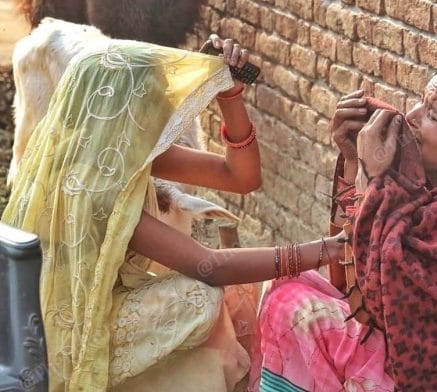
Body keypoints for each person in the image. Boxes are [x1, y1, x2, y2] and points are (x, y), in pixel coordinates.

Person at [1, 34, 345, 391]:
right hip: (76, 330)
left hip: (79, 307)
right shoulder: (94, 188)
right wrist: (324, 250)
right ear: (126, 109)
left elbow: (241, 177)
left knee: (234, 291)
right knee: (201, 295)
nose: (164, 110)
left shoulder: (112, 152)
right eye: (153, 101)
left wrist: (229, 97)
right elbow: (208, 266)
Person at [249, 63, 437, 391]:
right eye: (421, 101)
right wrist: (354, 161)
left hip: (432, 382)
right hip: (405, 365)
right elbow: (346, 280)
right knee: (286, 282)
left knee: (294, 309)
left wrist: (376, 179)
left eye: (433, 115)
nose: (413, 116)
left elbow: (374, 300)